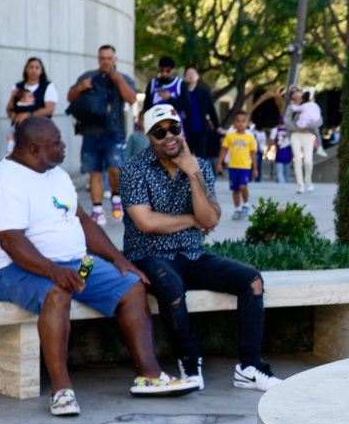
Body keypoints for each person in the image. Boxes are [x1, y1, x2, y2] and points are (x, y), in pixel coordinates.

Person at [0, 116, 197, 416]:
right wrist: (53, 271)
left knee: (130, 285)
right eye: (56, 143)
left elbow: (82, 220)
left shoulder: (55, 174)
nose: (64, 146)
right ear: (33, 150)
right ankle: (61, 391)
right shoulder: (6, 184)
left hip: (71, 264)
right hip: (5, 269)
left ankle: (149, 376)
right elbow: (12, 243)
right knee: (57, 293)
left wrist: (117, 258)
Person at [120, 104, 285, 392]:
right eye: (160, 132)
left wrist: (193, 173)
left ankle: (249, 367)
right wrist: (192, 220)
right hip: (148, 255)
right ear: (148, 137)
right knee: (171, 285)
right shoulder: (134, 169)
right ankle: (189, 364)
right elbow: (146, 222)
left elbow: (210, 219)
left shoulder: (200, 167)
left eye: (174, 129)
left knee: (251, 280)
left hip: (193, 254)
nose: (169, 136)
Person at [66, 45, 137, 226]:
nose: (106, 62)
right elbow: (70, 97)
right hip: (91, 131)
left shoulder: (123, 78)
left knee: (114, 169)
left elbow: (131, 99)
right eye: (103, 58)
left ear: (115, 59)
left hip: (114, 132)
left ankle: (116, 196)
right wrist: (81, 87)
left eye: (109, 58)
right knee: (94, 172)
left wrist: (119, 80)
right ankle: (97, 209)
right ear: (98, 59)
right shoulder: (88, 77)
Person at [6, 57, 58, 154]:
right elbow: (9, 110)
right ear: (26, 69)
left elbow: (49, 109)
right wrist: (14, 113)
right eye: (31, 67)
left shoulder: (48, 86)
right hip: (20, 132)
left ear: (41, 71)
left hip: (40, 131)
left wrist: (28, 115)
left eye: (36, 68)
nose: (33, 70)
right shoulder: (18, 87)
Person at [219, 111, 259, 219]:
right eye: (238, 121)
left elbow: (253, 154)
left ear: (248, 123)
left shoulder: (250, 137)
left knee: (243, 186)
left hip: (245, 167)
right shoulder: (230, 136)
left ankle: (245, 204)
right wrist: (219, 163)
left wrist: (255, 169)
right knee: (235, 189)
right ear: (234, 122)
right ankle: (237, 209)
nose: (240, 124)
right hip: (233, 166)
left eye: (243, 121)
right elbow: (224, 150)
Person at [282, 86, 321, 194]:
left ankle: (308, 181)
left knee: (308, 161)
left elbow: (319, 120)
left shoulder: (309, 102)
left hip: (308, 135)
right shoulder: (291, 107)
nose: (295, 94)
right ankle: (300, 184)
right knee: (298, 160)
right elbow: (287, 122)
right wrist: (300, 128)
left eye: (297, 91)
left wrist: (307, 127)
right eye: (292, 92)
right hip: (295, 134)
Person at [183, 66, 222, 160]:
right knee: (186, 155)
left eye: (193, 74)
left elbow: (211, 109)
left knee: (201, 155)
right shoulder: (182, 92)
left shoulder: (204, 92)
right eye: (188, 74)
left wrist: (217, 126)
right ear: (185, 77)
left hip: (201, 129)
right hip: (186, 129)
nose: (190, 76)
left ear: (197, 76)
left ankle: (202, 170)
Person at [144, 55, 192, 128]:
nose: (164, 74)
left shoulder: (180, 84)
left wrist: (169, 99)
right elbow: (146, 106)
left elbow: (186, 106)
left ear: (173, 70)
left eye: (168, 71)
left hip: (174, 125)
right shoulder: (153, 84)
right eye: (162, 70)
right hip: (156, 125)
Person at [268, 119, 291, 185]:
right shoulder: (289, 130)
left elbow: (271, 141)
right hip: (288, 153)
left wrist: (267, 151)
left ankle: (282, 185)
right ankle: (285, 185)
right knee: (286, 173)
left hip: (279, 153)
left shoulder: (275, 130)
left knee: (280, 172)